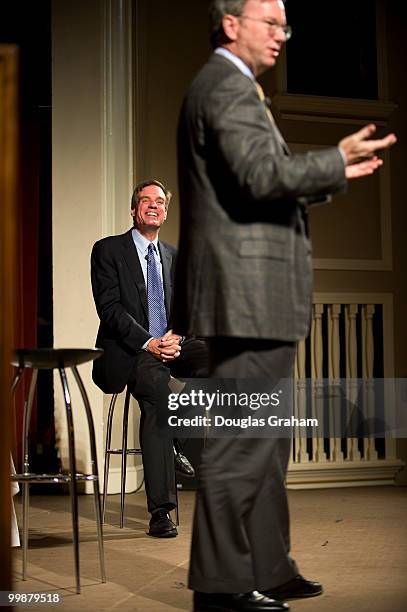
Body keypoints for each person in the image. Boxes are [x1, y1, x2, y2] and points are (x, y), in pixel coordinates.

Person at [173, 0, 397, 610]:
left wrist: (331, 170)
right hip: (244, 297)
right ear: (230, 23)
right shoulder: (225, 86)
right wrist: (335, 160)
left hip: (255, 297)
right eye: (270, 22)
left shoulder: (238, 88)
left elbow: (260, 176)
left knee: (267, 445)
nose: (281, 35)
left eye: (285, 25)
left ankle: (267, 566)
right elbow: (257, 176)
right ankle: (219, 588)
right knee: (240, 443)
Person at [91, 179, 208, 538]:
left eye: (160, 201)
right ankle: (161, 511)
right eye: (146, 200)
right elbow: (110, 310)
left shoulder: (173, 256)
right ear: (134, 209)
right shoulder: (109, 250)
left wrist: (175, 339)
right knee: (158, 394)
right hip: (132, 352)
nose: (154, 205)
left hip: (167, 347)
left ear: (166, 211)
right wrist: (150, 342)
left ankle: (175, 439)